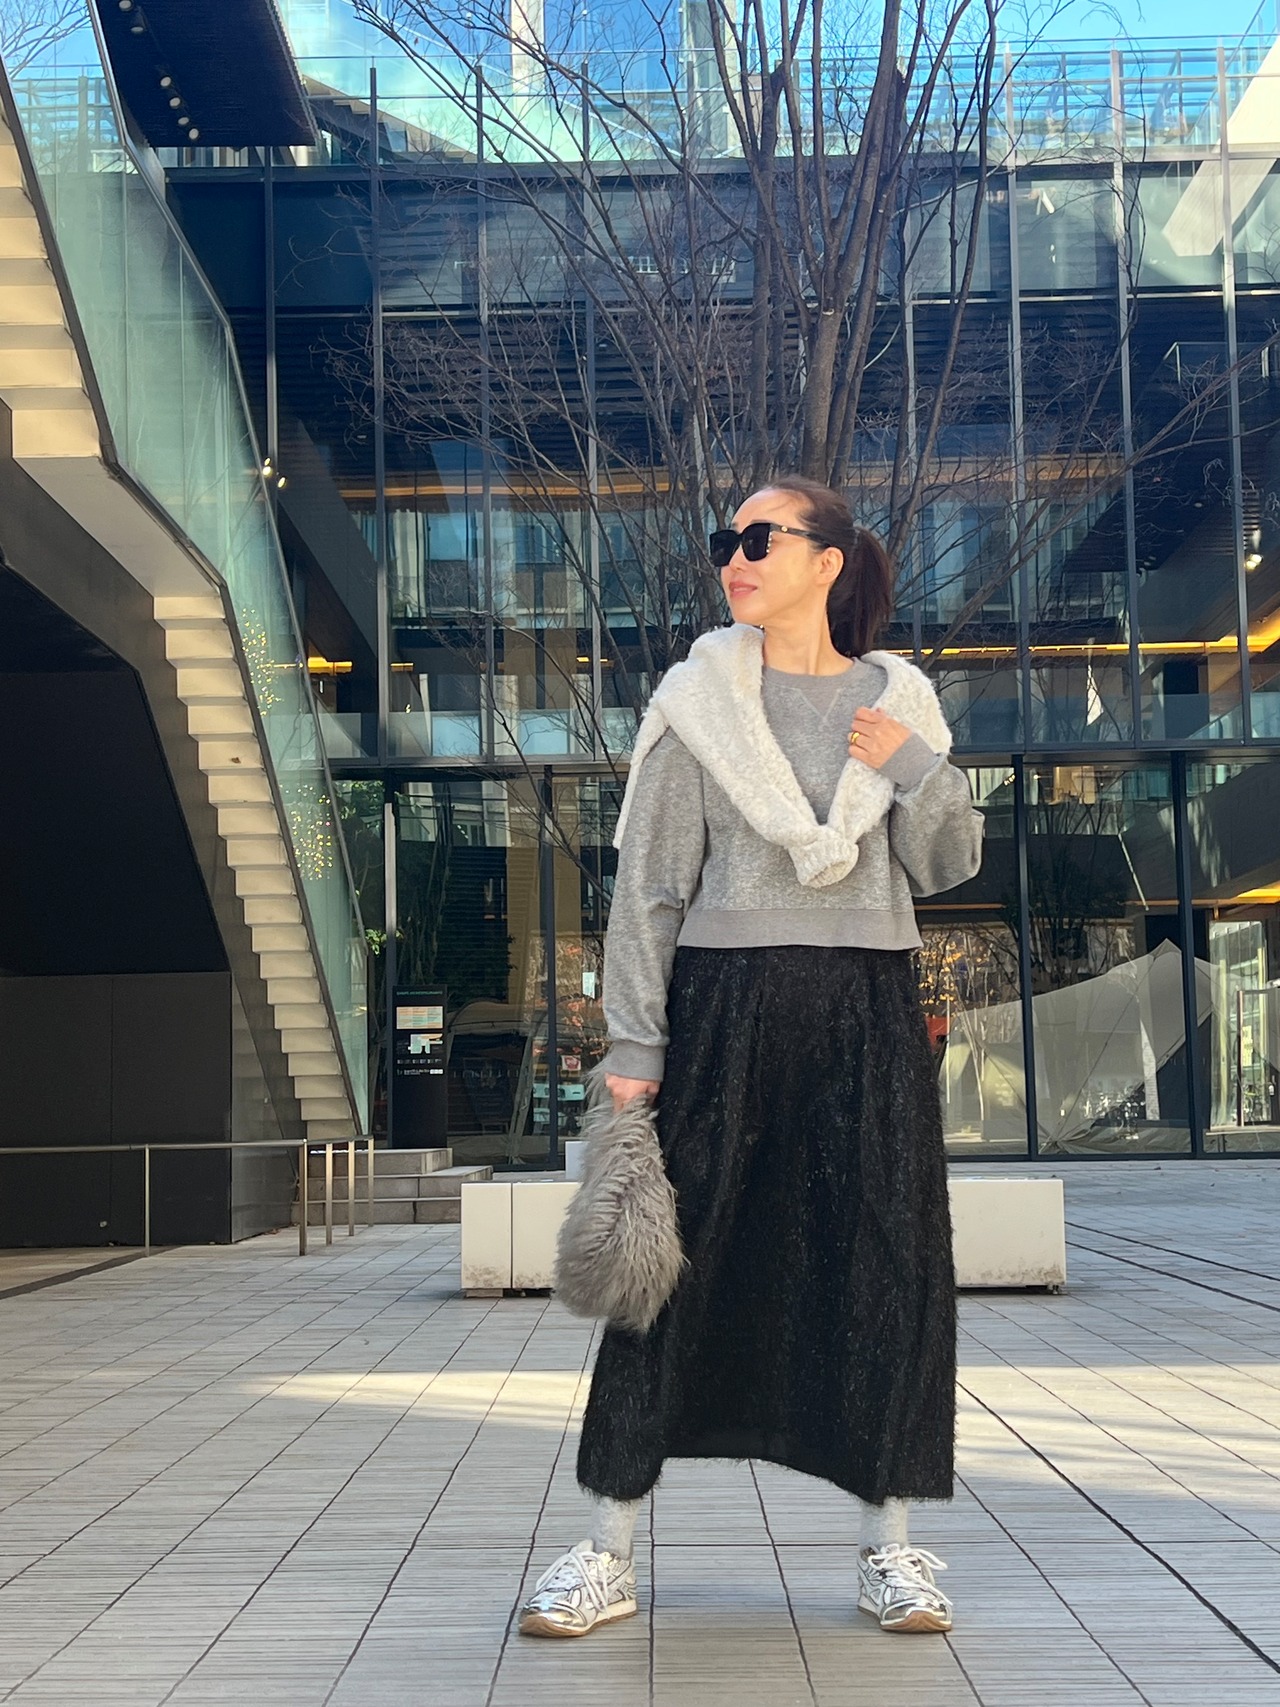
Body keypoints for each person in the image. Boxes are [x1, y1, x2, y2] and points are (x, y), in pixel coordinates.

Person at [518, 476, 984, 1641]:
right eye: (725, 539)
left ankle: (888, 1549)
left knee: (884, 1264)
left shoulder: (898, 703)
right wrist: (635, 1043)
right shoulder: (698, 705)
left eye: (759, 538)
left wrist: (914, 766)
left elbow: (950, 864)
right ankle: (606, 1548)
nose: (734, 555)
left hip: (868, 1011)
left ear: (827, 561)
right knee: (669, 1272)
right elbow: (649, 889)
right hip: (721, 1008)